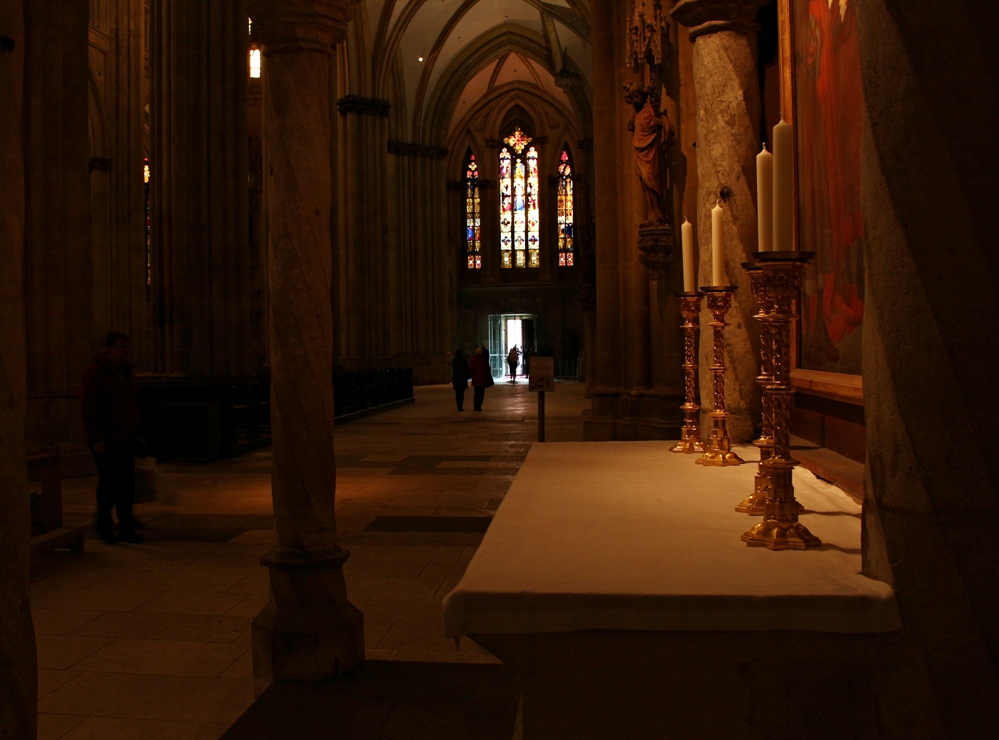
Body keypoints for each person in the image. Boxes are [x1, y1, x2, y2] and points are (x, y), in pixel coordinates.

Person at [81, 332, 145, 544]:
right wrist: (95, 438)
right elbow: (89, 407)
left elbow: (131, 404)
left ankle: (126, 527)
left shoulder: (127, 371)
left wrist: (137, 432)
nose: (125, 351)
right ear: (109, 349)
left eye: (127, 347)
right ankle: (103, 524)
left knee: (126, 484)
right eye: (121, 347)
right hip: (106, 437)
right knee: (108, 483)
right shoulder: (96, 372)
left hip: (126, 435)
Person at [469, 347, 492, 411]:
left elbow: (470, 369)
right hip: (482, 379)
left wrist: (473, 375)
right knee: (481, 393)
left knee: (476, 393)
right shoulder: (484, 360)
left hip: (476, 379)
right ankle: (478, 406)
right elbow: (487, 369)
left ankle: (475, 405)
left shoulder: (473, 360)